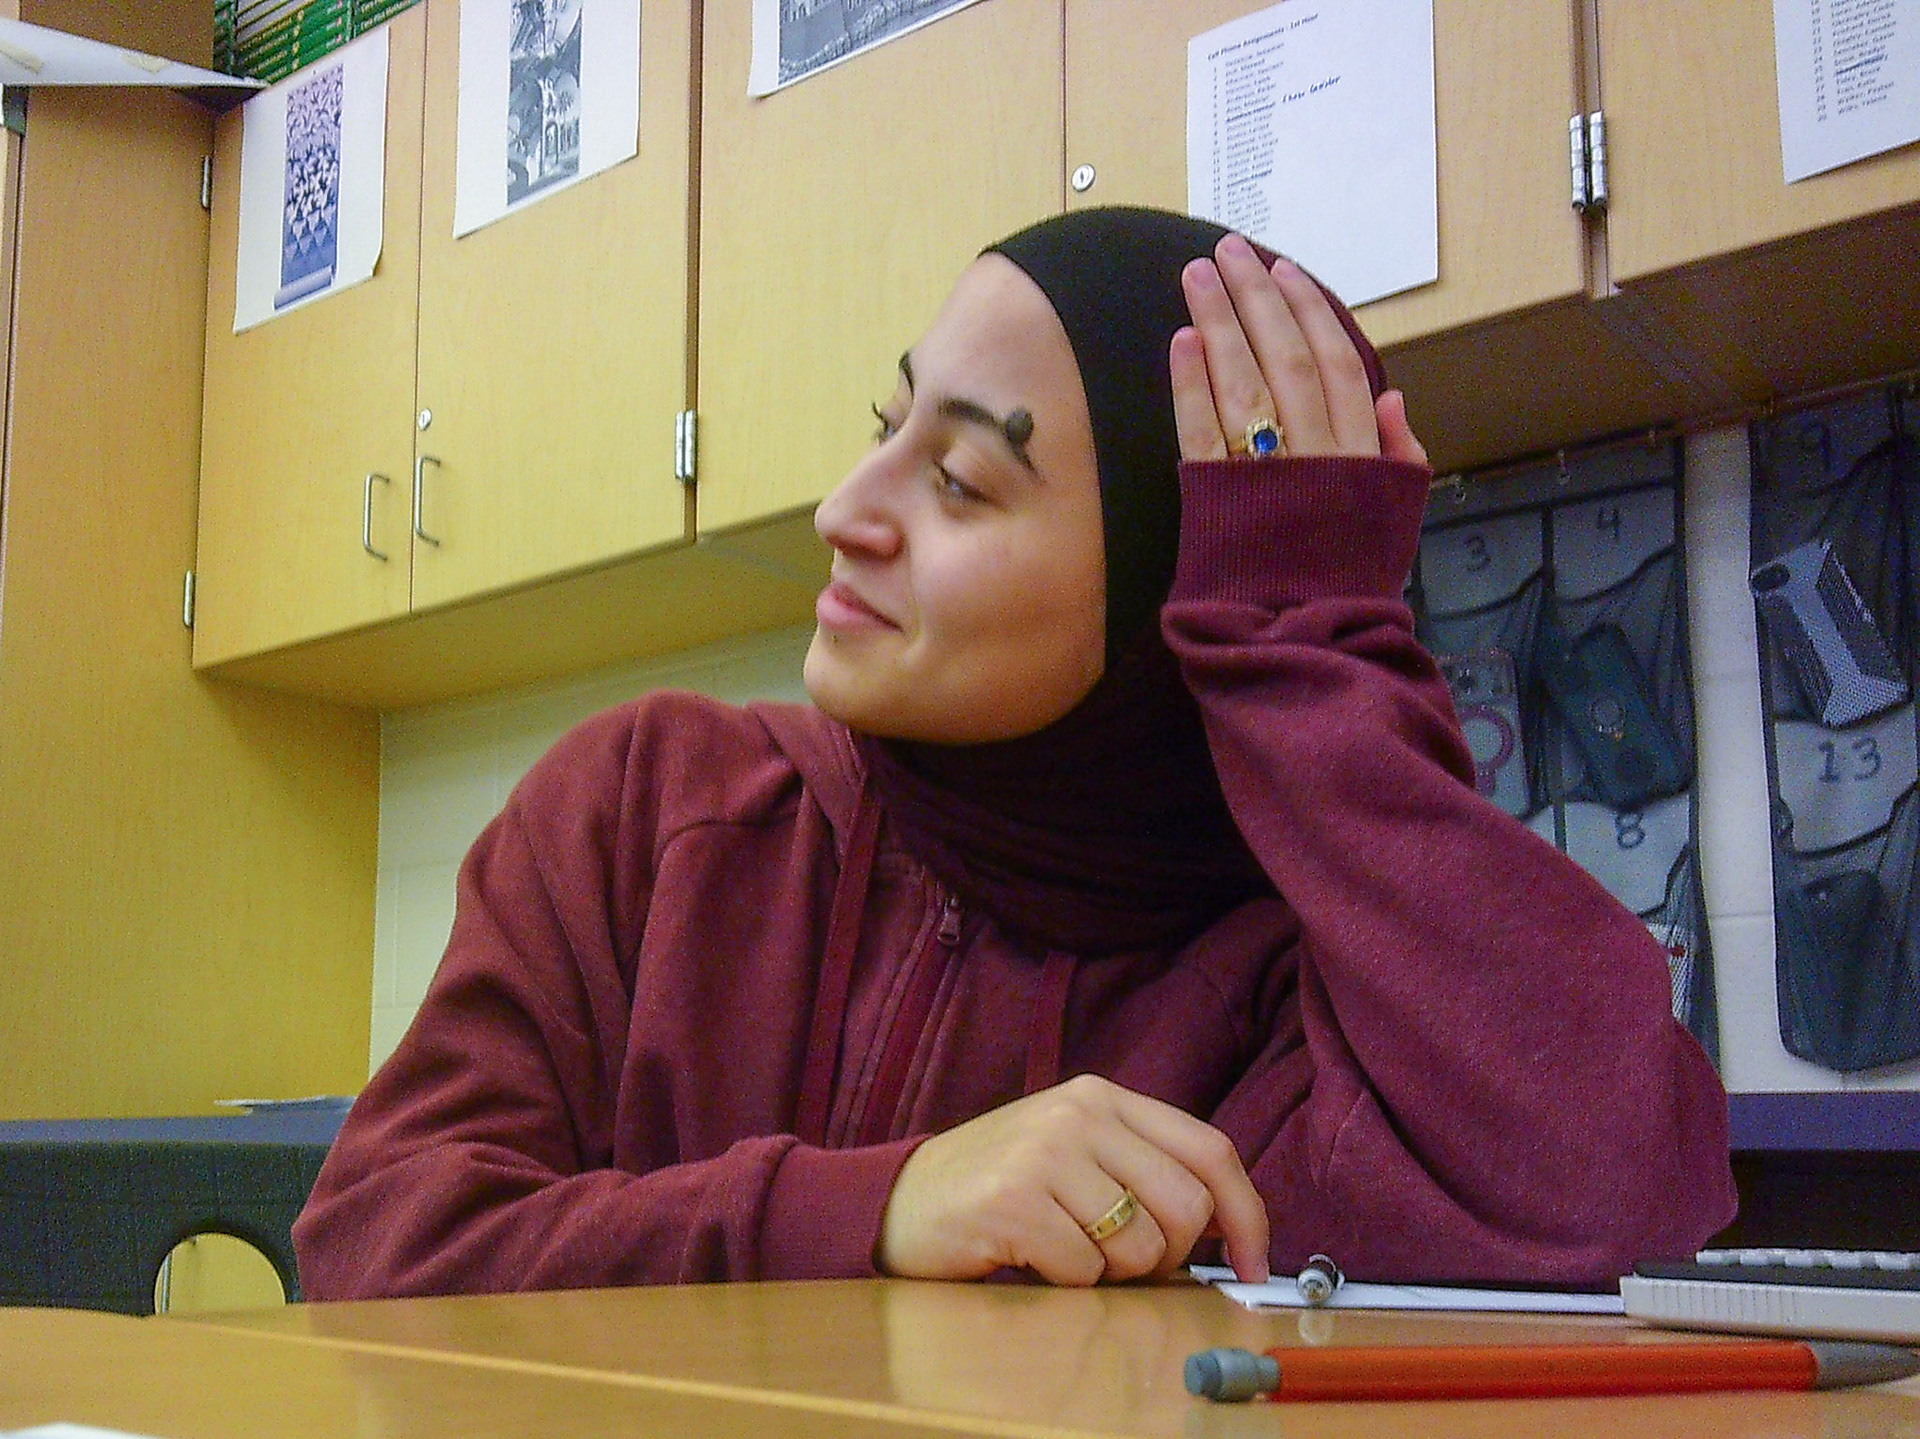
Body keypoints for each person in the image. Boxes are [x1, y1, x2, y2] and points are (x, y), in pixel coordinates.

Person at [293, 207, 1735, 1298]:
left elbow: (1622, 1194)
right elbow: (379, 1244)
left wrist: (1312, 634)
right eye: (886, 422)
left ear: (1167, 589)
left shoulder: (1287, 996)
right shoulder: (653, 809)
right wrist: (880, 1208)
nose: (845, 508)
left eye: (965, 479)